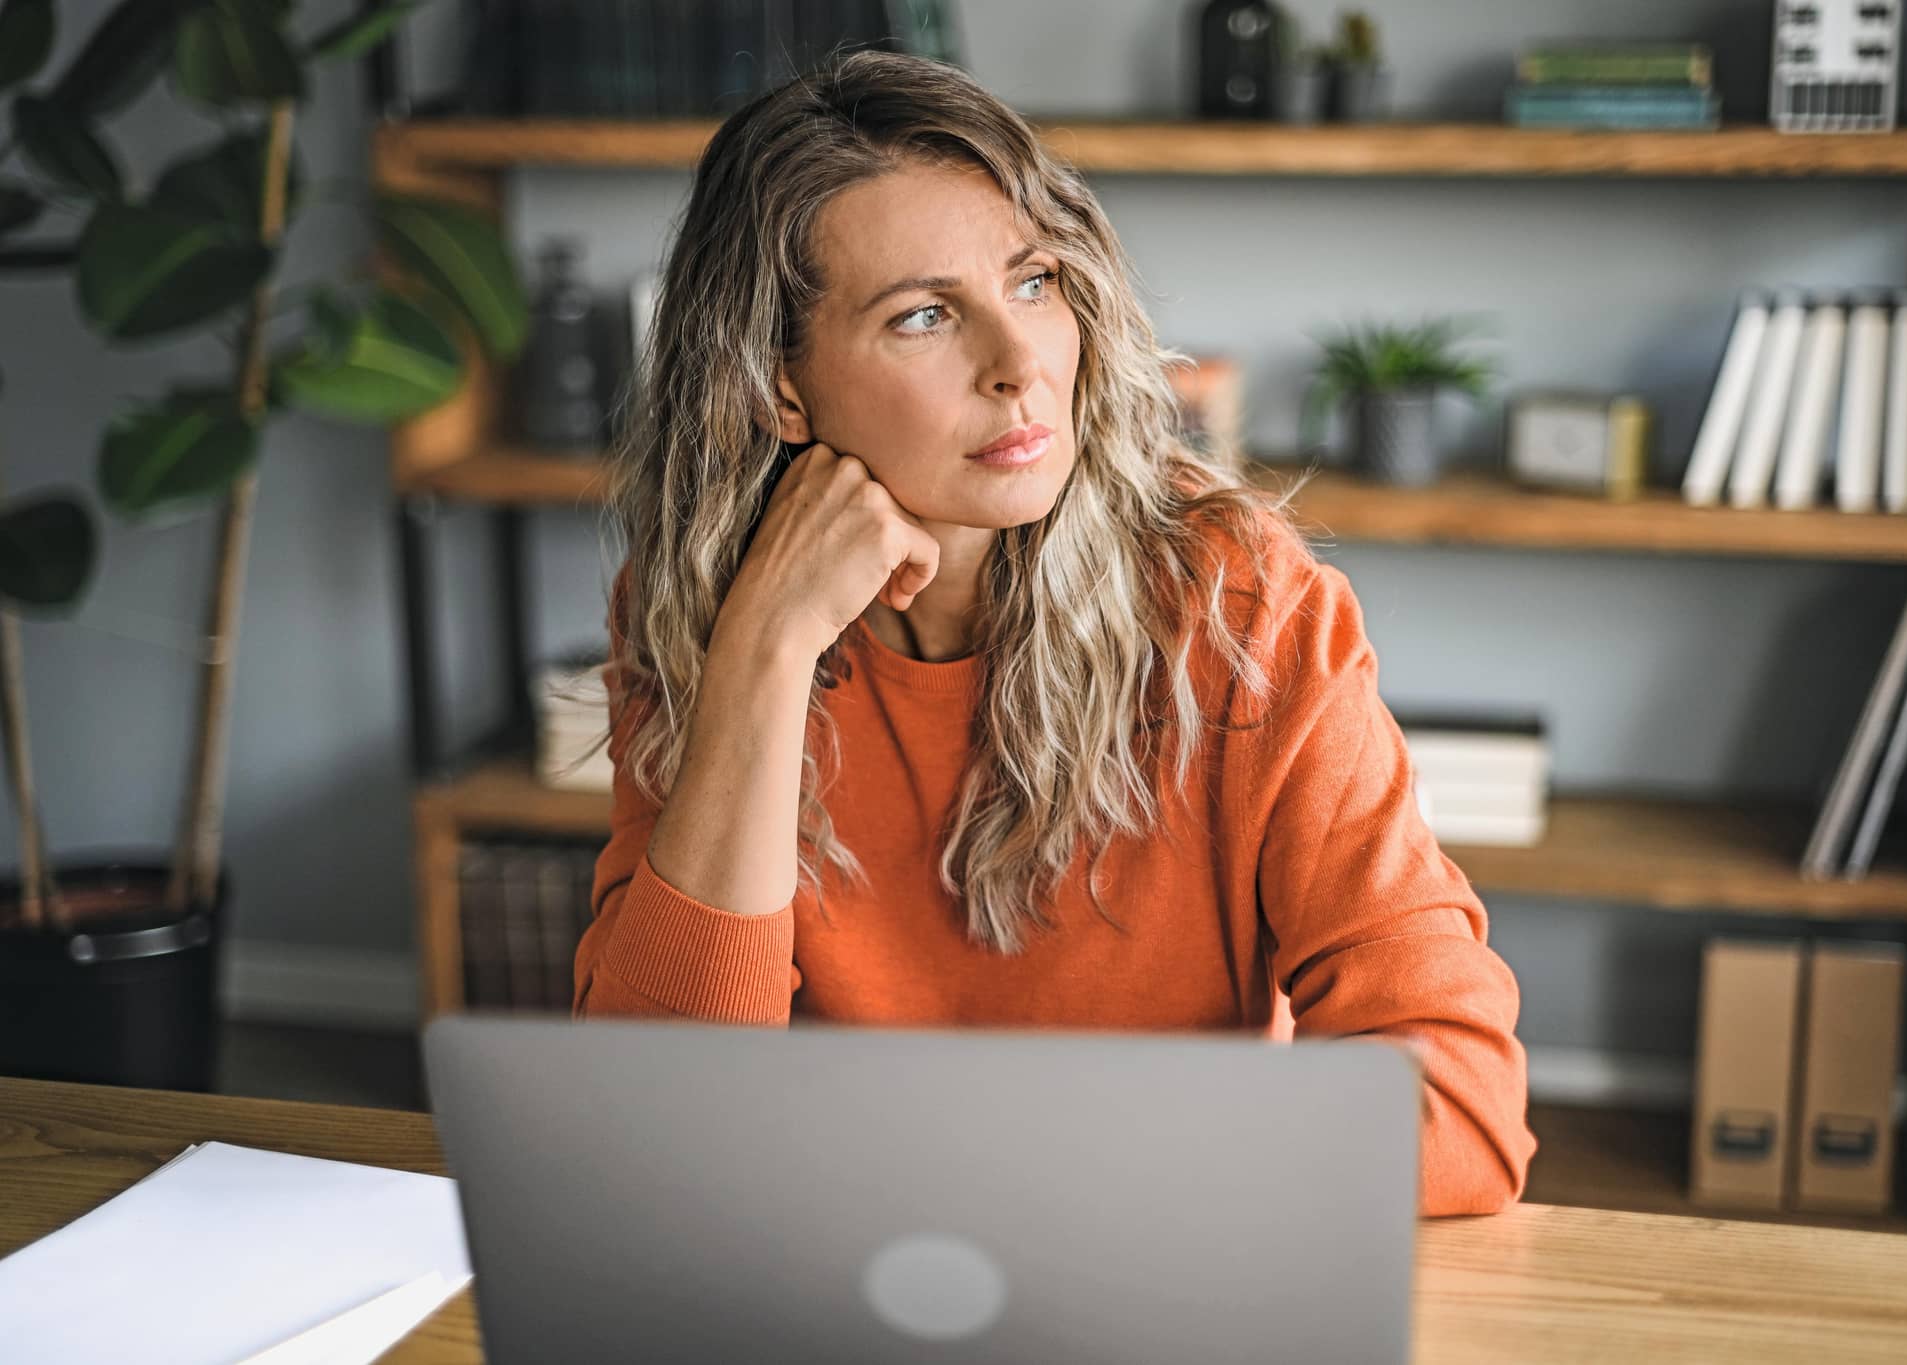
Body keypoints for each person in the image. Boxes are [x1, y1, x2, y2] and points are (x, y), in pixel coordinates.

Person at [573, 48, 1535, 1217]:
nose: (1020, 365)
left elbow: (1464, 1107)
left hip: (1149, 1255)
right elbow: (651, 1122)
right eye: (924, 316)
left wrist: (1038, 1173)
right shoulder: (698, 616)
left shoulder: (1238, 605)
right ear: (780, 386)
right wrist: (763, 660)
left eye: (1033, 283)